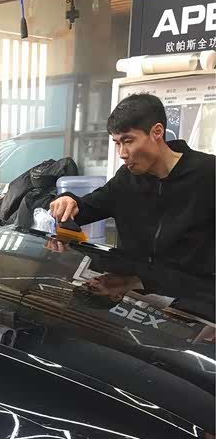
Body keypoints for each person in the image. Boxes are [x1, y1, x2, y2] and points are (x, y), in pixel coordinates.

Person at [48, 93, 215, 297]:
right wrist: (68, 200)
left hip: (190, 304)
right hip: (132, 300)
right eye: (117, 143)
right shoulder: (127, 179)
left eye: (128, 141)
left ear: (157, 132)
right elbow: (86, 208)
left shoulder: (208, 174)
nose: (122, 153)